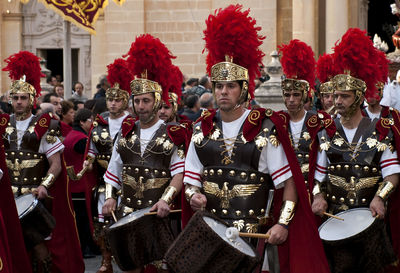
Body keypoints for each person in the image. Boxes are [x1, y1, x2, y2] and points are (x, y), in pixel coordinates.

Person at [183, 5, 329, 273]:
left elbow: (288, 184)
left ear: (243, 89)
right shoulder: (201, 129)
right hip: (210, 232)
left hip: (251, 237)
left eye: (230, 86)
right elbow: (191, 179)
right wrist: (194, 195)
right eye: (218, 86)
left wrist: (283, 223)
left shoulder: (263, 128)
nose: (223, 92)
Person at [311, 28, 400, 273]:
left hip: (371, 219)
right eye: (336, 96)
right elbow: (318, 174)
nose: (337, 101)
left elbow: (392, 173)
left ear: (359, 97)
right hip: (336, 221)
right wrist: (318, 196)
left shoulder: (381, 130)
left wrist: (380, 198)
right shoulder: (326, 132)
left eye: (344, 97)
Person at [102, 34, 186, 273]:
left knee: (161, 266)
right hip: (127, 210)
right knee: (131, 266)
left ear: (157, 102)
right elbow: (113, 170)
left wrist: (166, 200)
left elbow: (179, 173)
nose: (141, 106)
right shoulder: (126, 132)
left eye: (146, 101)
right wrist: (110, 196)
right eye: (137, 101)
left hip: (158, 212)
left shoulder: (173, 133)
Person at [2, 51, 84, 273]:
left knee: (40, 252)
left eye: (23, 98)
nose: (19, 102)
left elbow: (55, 163)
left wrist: (44, 186)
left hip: (33, 199)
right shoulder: (2, 125)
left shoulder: (44, 126)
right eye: (15, 98)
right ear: (10, 99)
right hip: (7, 199)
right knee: (11, 250)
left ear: (32, 100)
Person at [85, 58, 131, 273]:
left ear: (125, 101)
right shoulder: (99, 125)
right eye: (110, 99)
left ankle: (130, 260)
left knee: (128, 223)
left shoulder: (133, 124)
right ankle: (106, 260)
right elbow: (91, 151)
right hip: (105, 182)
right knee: (103, 223)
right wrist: (87, 164)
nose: (112, 103)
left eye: (117, 100)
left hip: (130, 182)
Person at [64, 108, 97, 259]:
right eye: (90, 120)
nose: (93, 123)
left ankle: (87, 246)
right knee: (82, 219)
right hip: (79, 184)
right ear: (82, 122)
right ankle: (85, 248)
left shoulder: (73, 134)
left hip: (73, 185)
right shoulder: (81, 139)